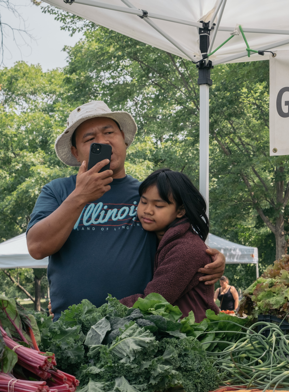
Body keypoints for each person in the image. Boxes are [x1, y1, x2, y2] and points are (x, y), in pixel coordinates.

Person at [26, 101, 225, 317]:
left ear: (125, 139)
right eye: (90, 139)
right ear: (75, 152)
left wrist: (210, 259)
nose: (103, 142)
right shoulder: (57, 191)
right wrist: (80, 196)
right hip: (70, 328)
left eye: (109, 132)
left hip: (133, 331)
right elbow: (37, 247)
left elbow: (182, 244)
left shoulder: (147, 195)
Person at [119, 169, 220, 321]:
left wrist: (109, 309)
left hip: (193, 335)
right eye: (143, 201)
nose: (147, 210)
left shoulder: (187, 248)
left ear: (180, 211)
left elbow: (154, 301)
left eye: (158, 206)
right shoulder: (156, 234)